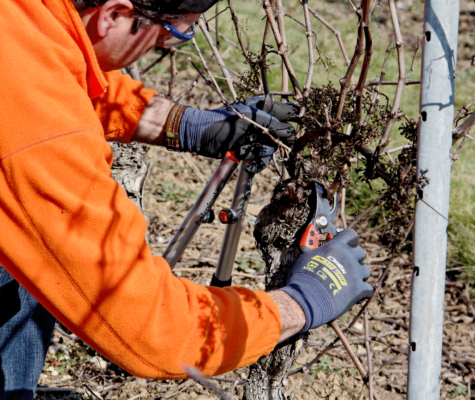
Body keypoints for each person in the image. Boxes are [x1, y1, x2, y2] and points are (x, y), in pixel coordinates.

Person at [0, 0, 373, 398]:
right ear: (113, 14)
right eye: (172, 32)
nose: (172, 46)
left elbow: (56, 73)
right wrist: (301, 302)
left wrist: (181, 122)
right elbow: (155, 330)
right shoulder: (39, 143)